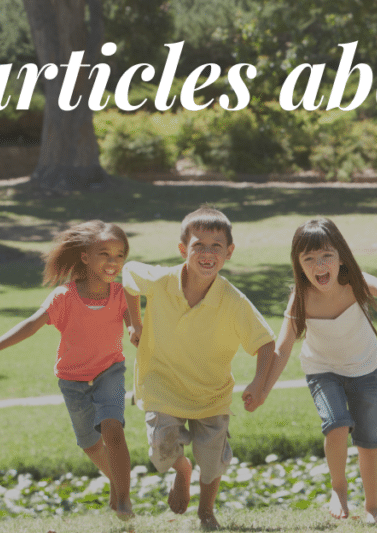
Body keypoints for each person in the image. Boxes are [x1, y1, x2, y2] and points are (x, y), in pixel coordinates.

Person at [265, 218, 377, 524]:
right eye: (309, 259)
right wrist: (261, 389)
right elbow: (283, 347)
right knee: (336, 424)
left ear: (341, 257)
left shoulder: (356, 282)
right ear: (299, 265)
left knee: (369, 441)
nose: (319, 265)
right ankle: (339, 489)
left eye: (326, 256)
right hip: (322, 369)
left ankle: (372, 507)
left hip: (363, 369)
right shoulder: (301, 298)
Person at [122, 206, 279, 530]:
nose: (207, 253)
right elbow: (127, 276)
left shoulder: (233, 301)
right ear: (183, 249)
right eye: (198, 245)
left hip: (211, 395)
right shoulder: (161, 280)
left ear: (229, 252)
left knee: (213, 462)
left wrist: (258, 385)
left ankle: (206, 512)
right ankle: (182, 470)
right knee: (162, 452)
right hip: (161, 385)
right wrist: (134, 323)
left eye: (216, 246)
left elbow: (266, 343)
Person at [0, 220, 136, 521]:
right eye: (104, 254)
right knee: (90, 444)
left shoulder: (122, 295)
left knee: (113, 429)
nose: (113, 262)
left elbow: (135, 326)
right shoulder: (65, 297)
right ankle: (115, 480)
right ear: (85, 256)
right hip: (72, 381)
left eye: (119, 255)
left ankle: (123, 499)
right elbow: (32, 323)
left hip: (110, 371)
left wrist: (138, 333)